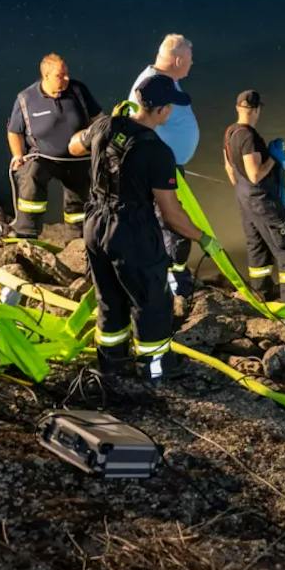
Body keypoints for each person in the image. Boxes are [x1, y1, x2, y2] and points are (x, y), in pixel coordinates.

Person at [68, 74, 212, 384]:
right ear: (161, 110)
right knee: (151, 301)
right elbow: (171, 215)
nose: (171, 112)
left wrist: (108, 131)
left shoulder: (105, 125)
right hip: (131, 230)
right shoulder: (157, 152)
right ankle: (155, 367)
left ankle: (112, 363)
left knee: (109, 295)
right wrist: (202, 238)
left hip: (94, 224)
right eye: (170, 107)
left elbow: (73, 146)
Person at [130, 34, 199, 295]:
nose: (192, 65)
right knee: (174, 224)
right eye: (190, 61)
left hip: (169, 166)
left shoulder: (162, 82)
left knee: (171, 224)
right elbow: (139, 126)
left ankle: (175, 274)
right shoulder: (151, 86)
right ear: (178, 59)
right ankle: (174, 284)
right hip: (160, 170)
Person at [222, 89, 285, 304]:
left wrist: (245, 194)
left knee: (257, 246)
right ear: (257, 110)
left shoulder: (230, 132)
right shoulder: (248, 136)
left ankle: (262, 293)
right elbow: (255, 174)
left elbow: (230, 170)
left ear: (238, 108)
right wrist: (274, 157)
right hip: (261, 200)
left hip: (244, 197)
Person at [5, 53, 99, 237]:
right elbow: (14, 131)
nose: (66, 79)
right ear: (45, 76)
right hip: (43, 157)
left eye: (67, 74)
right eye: (60, 76)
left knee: (79, 198)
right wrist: (17, 155)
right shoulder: (26, 99)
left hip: (78, 158)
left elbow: (98, 119)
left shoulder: (78, 91)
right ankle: (26, 233)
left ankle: (77, 237)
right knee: (31, 177)